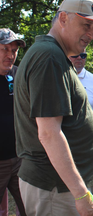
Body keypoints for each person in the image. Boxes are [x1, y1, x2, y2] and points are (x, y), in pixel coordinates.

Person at [14, 0, 93, 216]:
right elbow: (49, 133)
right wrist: (81, 195)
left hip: (61, 188)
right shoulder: (49, 57)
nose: (91, 35)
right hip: (56, 189)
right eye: (86, 25)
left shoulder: (55, 55)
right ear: (63, 18)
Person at [0, 28, 26, 216]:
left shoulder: (19, 76)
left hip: (20, 160)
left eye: (14, 51)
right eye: (4, 49)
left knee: (29, 209)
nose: (10, 55)